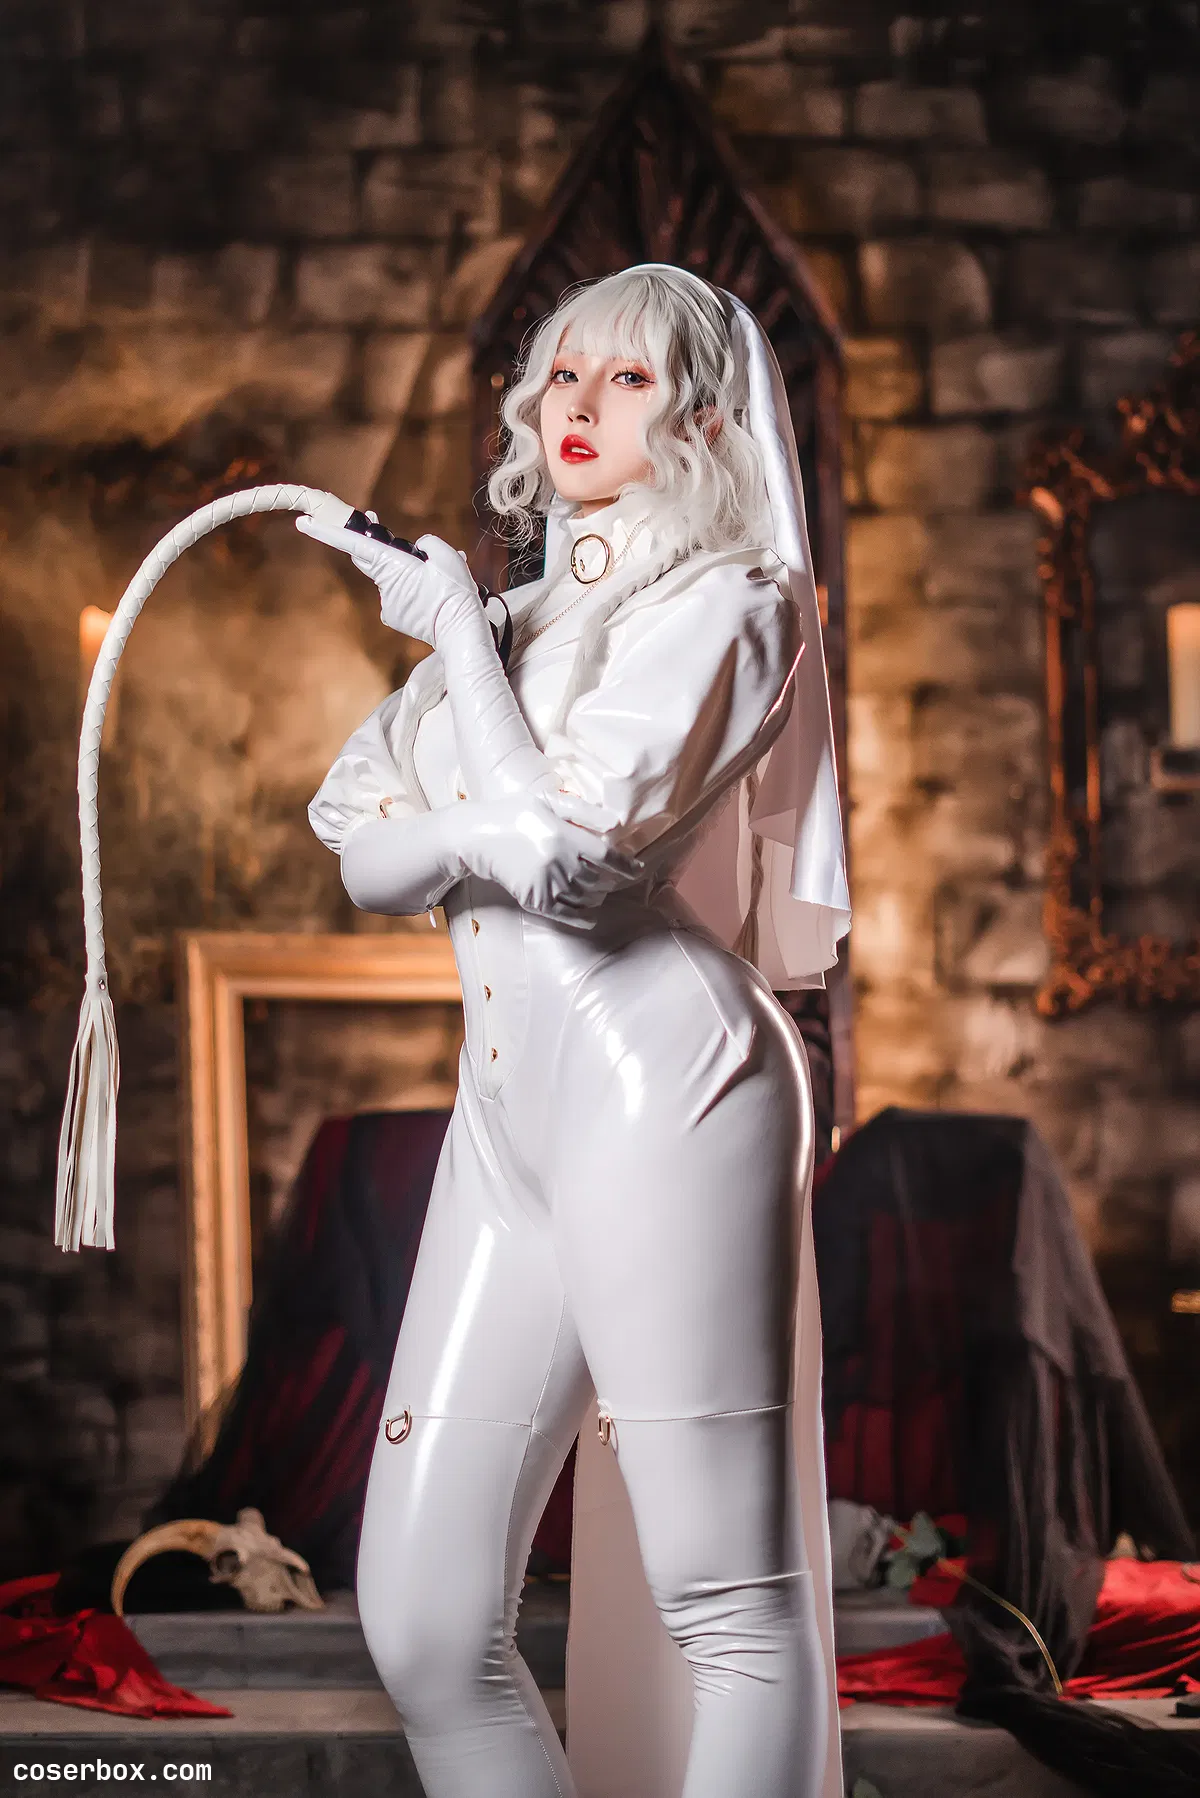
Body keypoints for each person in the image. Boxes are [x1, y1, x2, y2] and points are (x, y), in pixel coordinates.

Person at [302, 263, 850, 1798]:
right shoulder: (516, 620)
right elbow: (352, 838)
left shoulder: (740, 602)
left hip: (666, 1082)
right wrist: (476, 732)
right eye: (561, 375)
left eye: (627, 378)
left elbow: (569, 851)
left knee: (727, 1598)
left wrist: (462, 685)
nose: (581, 405)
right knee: (422, 1620)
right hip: (507, 1115)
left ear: (702, 416)